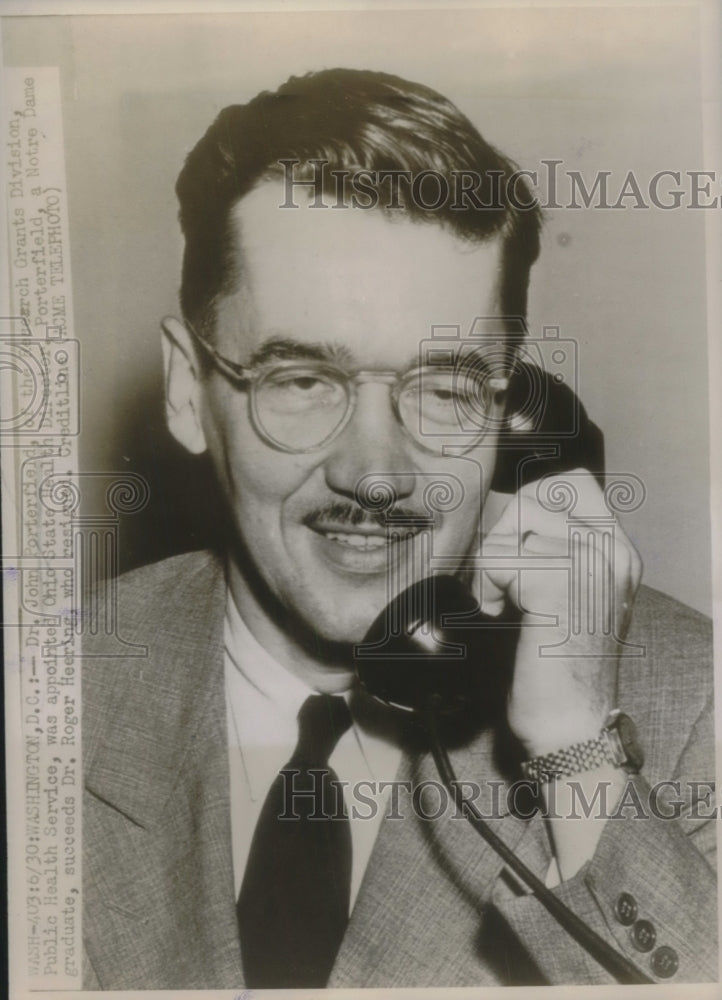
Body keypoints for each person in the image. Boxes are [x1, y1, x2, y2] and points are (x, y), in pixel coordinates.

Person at [81, 69, 716, 989]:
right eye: (300, 380)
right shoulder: (46, 696)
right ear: (188, 388)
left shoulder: (696, 707)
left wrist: (577, 755)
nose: (374, 473)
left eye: (448, 387)